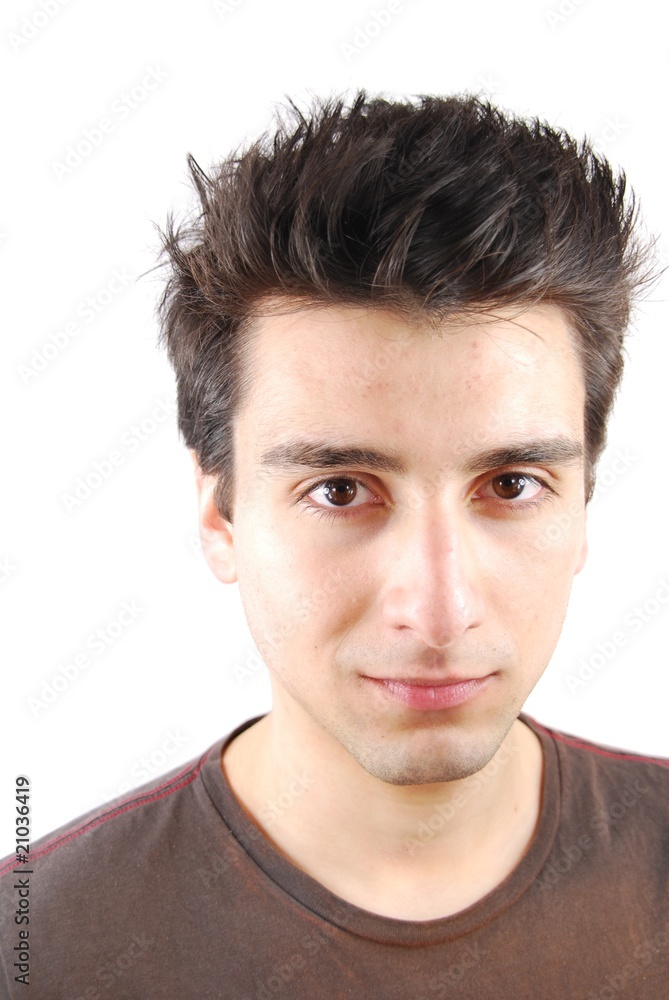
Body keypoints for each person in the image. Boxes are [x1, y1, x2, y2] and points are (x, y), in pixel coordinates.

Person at [2, 90, 667, 999]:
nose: (439, 610)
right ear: (219, 515)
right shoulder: (32, 950)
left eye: (511, 485)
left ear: (582, 503)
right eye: (341, 490)